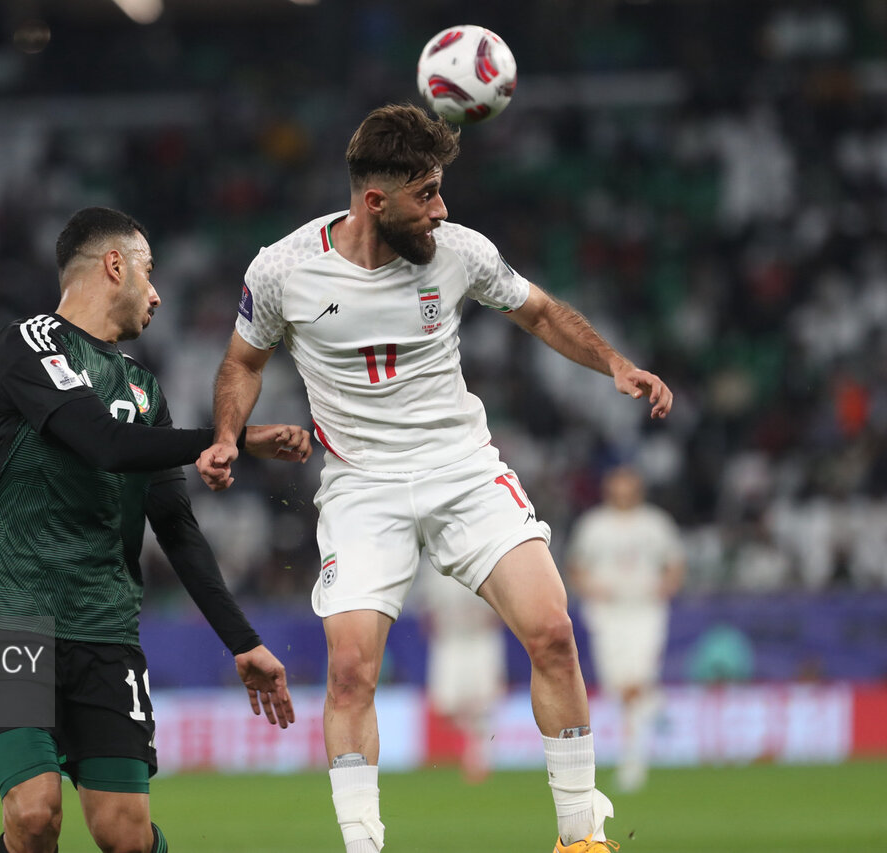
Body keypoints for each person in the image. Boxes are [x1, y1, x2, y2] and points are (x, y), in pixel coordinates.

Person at [197, 103, 673, 853]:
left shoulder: (459, 251)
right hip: (362, 486)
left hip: (463, 469)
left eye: (441, 190)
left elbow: (542, 312)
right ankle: (363, 845)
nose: (441, 210)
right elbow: (242, 362)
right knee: (351, 670)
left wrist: (614, 361)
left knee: (552, 631)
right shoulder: (284, 268)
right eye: (426, 194)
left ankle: (581, 837)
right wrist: (228, 435)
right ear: (375, 201)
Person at [0, 207, 309, 853]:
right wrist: (235, 437)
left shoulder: (143, 388)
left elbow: (175, 525)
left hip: (103, 627)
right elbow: (100, 441)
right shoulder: (26, 343)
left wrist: (242, 640)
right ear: (115, 265)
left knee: (125, 835)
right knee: (33, 815)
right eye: (149, 270)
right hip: (5, 613)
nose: (158, 292)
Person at [566, 466, 684, 793]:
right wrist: (589, 589)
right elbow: (576, 565)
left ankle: (633, 763)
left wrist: (666, 586)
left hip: (645, 611)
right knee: (618, 686)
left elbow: (674, 562)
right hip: (607, 613)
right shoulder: (594, 525)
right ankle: (657, 704)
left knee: (635, 683)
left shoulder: (655, 523)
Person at [411, 564, 507, 784]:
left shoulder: (485, 559)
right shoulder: (434, 566)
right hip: (449, 640)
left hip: (481, 638)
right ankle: (471, 747)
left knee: (483, 702)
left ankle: (478, 756)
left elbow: (503, 604)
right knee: (447, 706)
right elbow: (424, 608)